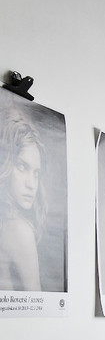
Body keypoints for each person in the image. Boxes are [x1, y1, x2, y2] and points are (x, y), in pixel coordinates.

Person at [0, 108, 45, 291]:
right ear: (6, 163)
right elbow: (37, 307)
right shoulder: (18, 230)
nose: (31, 184)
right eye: (22, 166)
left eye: (36, 173)